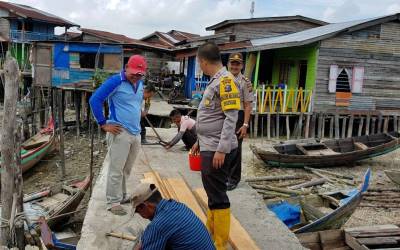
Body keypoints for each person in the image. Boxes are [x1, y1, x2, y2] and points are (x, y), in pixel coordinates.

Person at [191, 41, 240, 250]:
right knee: (212, 191)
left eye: (199, 63)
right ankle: (211, 234)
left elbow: (231, 118)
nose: (199, 66)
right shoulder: (216, 80)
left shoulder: (225, 81)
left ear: (203, 61)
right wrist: (199, 141)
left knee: (218, 195)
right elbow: (212, 117)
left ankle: (219, 244)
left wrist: (221, 149)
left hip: (218, 149)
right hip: (209, 145)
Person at [89, 55, 147, 216]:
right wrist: (103, 123)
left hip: (136, 132)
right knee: (116, 168)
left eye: (140, 74)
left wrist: (138, 111)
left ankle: (121, 195)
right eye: (134, 73)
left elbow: (135, 102)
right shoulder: (116, 81)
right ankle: (112, 202)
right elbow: (95, 100)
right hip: (120, 131)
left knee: (127, 169)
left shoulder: (139, 84)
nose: (136, 76)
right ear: (126, 67)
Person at [132, 183, 215, 250]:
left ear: (147, 206)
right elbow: (150, 236)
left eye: (138, 211)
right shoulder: (177, 205)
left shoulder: (158, 225)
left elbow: (156, 229)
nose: (142, 216)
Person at [226, 53, 255, 191]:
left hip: (238, 116)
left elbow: (248, 105)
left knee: (236, 148)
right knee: (224, 146)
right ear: (228, 64)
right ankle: (224, 176)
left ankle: (233, 178)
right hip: (224, 115)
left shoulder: (245, 82)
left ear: (242, 66)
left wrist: (245, 125)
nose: (235, 66)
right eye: (232, 63)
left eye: (237, 64)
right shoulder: (223, 79)